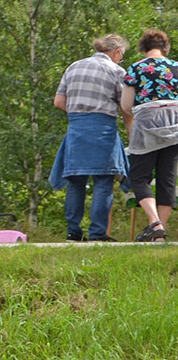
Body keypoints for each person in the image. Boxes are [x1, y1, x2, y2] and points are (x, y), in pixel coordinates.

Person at [50, 34, 129, 242]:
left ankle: (73, 232)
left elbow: (58, 101)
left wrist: (79, 113)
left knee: (76, 181)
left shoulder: (74, 67)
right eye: (122, 55)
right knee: (103, 181)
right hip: (103, 129)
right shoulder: (116, 71)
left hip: (76, 129)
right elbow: (126, 106)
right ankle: (97, 233)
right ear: (117, 52)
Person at [121, 29, 178, 241]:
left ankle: (154, 224)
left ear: (143, 48)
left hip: (147, 122)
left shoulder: (136, 68)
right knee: (167, 178)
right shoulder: (176, 67)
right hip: (175, 123)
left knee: (139, 175)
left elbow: (126, 106)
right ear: (165, 47)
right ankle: (159, 235)